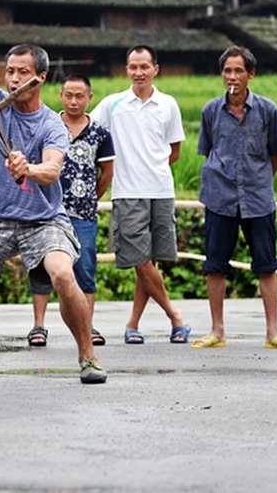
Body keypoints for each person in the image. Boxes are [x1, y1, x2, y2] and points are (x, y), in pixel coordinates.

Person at [0, 46, 107, 385]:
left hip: (44, 219)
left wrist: (29, 168)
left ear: (40, 77)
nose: (14, 79)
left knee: (61, 274)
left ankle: (88, 354)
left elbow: (53, 170)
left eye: (22, 72)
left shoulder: (52, 125)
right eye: (10, 71)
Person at [193, 47, 277, 350]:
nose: (232, 77)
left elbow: (276, 154)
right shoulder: (211, 110)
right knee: (214, 265)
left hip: (257, 198)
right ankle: (217, 331)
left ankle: (272, 332)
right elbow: (208, 150)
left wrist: (259, 180)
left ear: (251, 74)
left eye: (239, 71)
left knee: (266, 265)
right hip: (219, 197)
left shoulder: (267, 110)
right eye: (227, 71)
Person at [90, 45, 189, 345]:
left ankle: (133, 324)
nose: (138, 72)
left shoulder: (168, 104)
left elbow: (174, 151)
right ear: (126, 70)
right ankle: (175, 316)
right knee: (140, 261)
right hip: (127, 192)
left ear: (156, 69)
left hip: (161, 191)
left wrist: (150, 166)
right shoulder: (113, 104)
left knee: (151, 262)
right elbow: (85, 128)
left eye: (144, 66)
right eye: (133, 66)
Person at [29, 75, 114, 348]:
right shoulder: (47, 125)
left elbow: (106, 173)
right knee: (41, 268)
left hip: (84, 214)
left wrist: (89, 198)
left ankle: (86, 326)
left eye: (80, 96)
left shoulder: (100, 133)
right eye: (69, 95)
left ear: (90, 98)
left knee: (85, 269)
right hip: (46, 211)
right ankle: (39, 326)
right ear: (60, 96)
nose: (74, 101)